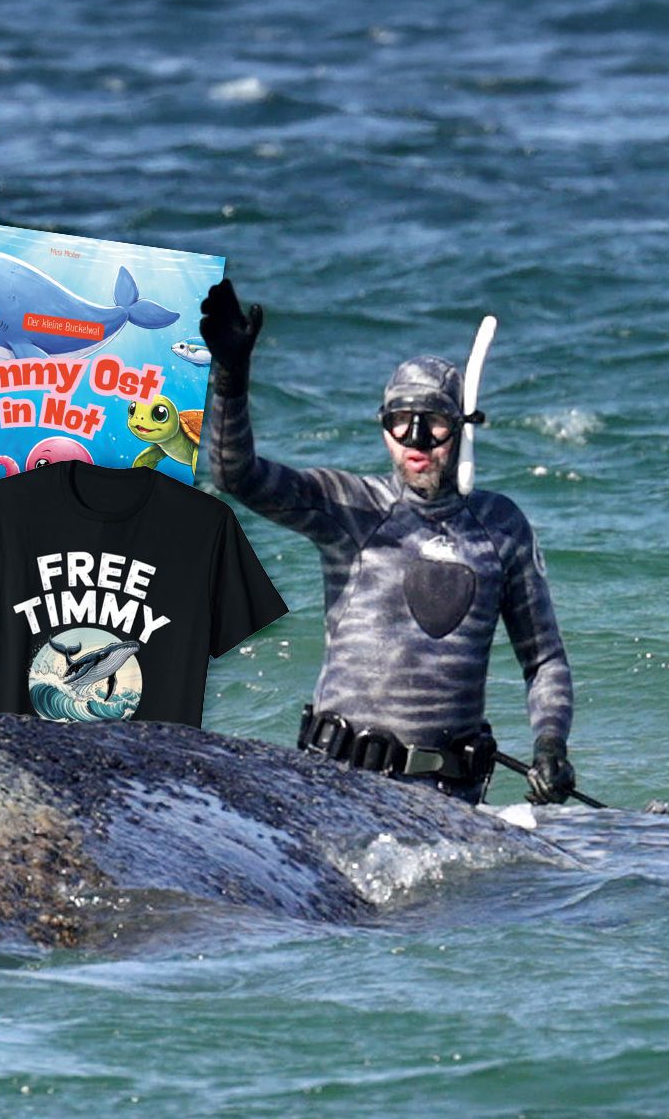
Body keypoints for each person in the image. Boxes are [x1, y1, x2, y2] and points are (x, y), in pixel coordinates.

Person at [198, 280, 577, 806]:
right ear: (383, 429)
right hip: (338, 782)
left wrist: (550, 746)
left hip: (450, 793)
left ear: (463, 430)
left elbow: (544, 661)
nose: (417, 441)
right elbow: (236, 476)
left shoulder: (500, 527)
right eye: (402, 423)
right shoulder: (350, 508)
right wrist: (230, 382)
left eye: (435, 424)